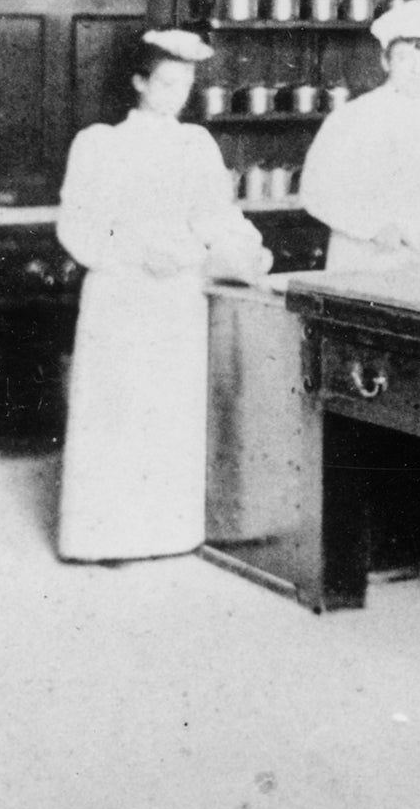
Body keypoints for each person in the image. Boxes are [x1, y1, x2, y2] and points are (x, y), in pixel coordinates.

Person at [54, 29, 272, 562]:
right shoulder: (99, 143)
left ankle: (168, 533)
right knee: (118, 409)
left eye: (185, 86)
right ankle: (103, 537)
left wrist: (236, 250)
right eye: (166, 83)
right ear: (138, 82)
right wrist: (136, 249)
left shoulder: (195, 145)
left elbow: (215, 216)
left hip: (176, 296)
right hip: (121, 293)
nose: (176, 95)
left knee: (167, 411)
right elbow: (78, 225)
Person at [299, 0, 420, 271]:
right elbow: (315, 191)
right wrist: (375, 227)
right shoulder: (351, 118)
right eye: (404, 57)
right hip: (365, 263)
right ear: (385, 61)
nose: (416, 68)